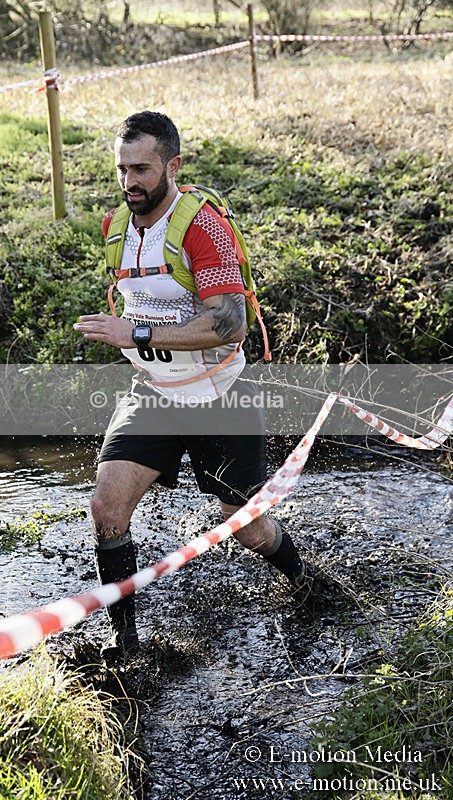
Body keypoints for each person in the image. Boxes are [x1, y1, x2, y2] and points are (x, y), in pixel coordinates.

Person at [73, 111, 314, 661]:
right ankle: (125, 642)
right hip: (153, 394)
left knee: (247, 529)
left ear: (173, 166)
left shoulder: (202, 227)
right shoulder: (115, 227)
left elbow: (230, 323)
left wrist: (133, 332)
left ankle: (307, 584)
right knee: (107, 506)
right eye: (121, 169)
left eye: (142, 169)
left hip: (219, 397)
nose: (130, 182)